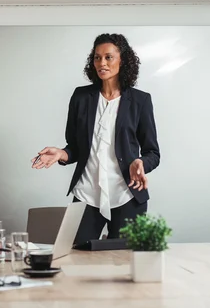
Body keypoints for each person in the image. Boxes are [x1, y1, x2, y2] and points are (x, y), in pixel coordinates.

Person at [32, 33, 160, 243]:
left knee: (125, 263)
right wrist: (61, 154)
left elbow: (153, 153)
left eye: (108, 57)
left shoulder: (140, 101)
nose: (102, 63)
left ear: (123, 60)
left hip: (127, 195)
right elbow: (74, 147)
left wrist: (140, 163)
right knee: (75, 258)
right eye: (97, 57)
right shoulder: (81, 97)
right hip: (86, 193)